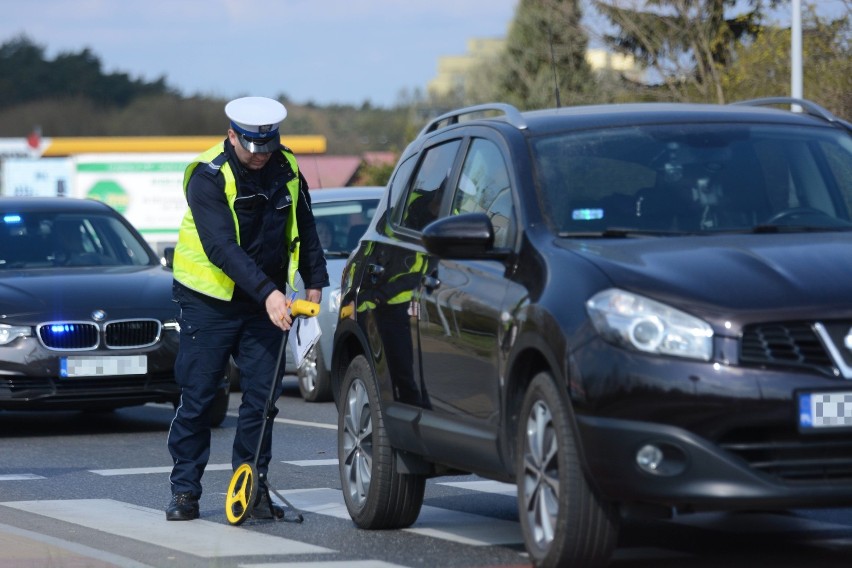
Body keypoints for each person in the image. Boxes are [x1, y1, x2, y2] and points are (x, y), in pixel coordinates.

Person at [165, 96, 328, 521]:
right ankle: (185, 491)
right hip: (209, 302)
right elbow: (222, 247)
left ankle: (250, 487)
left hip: (264, 305)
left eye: (266, 147)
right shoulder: (207, 175)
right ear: (232, 135)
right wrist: (270, 293)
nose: (259, 157)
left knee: (262, 399)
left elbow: (305, 226)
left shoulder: (287, 167)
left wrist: (315, 281)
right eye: (250, 148)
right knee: (200, 397)